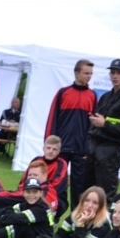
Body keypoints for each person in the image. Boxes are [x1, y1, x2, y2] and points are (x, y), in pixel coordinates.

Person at [84, 59, 120, 202]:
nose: (115, 76)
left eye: (119, 73)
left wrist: (105, 124)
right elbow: (95, 123)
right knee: (88, 192)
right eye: (112, 72)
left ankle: (106, 217)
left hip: (110, 151)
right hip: (94, 150)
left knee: (105, 194)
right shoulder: (105, 97)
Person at [0, 136, 69, 220]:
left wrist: (30, 191)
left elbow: (55, 187)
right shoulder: (36, 160)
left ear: (59, 151)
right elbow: (24, 181)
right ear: (43, 148)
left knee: (9, 202)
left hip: (51, 199)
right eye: (48, 148)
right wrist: (23, 192)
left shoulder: (61, 164)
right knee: (2, 201)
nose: (51, 151)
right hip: (28, 194)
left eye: (54, 149)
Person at [45, 59, 96, 210]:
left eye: (91, 74)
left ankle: (76, 217)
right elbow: (52, 118)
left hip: (81, 149)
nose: (89, 76)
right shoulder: (63, 93)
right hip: (62, 148)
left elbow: (93, 126)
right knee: (57, 184)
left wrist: (89, 148)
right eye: (86, 73)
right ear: (76, 73)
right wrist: (50, 144)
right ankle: (54, 212)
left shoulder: (92, 95)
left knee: (79, 187)